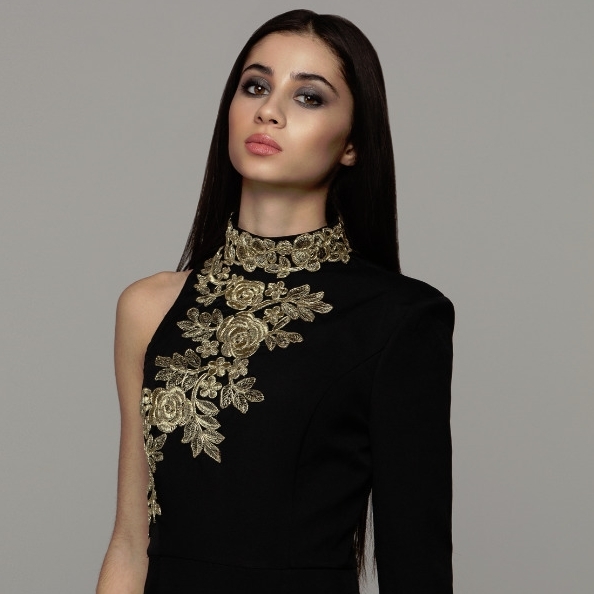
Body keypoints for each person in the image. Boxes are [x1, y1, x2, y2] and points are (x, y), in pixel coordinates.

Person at [97, 9, 454, 594]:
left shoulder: (399, 319)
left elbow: (416, 569)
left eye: (309, 97)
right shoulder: (147, 306)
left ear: (353, 145)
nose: (269, 110)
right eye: (255, 86)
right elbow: (130, 544)